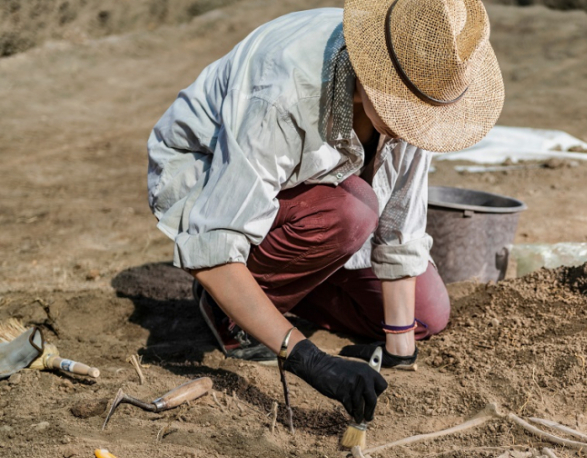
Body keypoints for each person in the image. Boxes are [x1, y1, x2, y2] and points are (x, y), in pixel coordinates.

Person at [146, 0, 504, 426]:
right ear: (370, 77)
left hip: (316, 203)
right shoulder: (283, 91)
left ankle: (288, 278)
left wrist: (398, 352)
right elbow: (214, 245)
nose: (414, 127)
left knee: (426, 313)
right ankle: (228, 314)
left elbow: (401, 228)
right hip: (211, 184)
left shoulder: (425, 77)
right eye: (404, 111)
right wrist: (308, 359)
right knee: (352, 210)